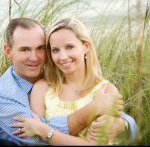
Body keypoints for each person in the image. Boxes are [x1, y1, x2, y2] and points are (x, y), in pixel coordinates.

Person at [9, 18, 138, 145]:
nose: (63, 57)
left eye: (69, 47)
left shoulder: (105, 91)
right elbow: (37, 142)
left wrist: (44, 131)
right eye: (55, 50)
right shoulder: (42, 89)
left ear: (86, 47)